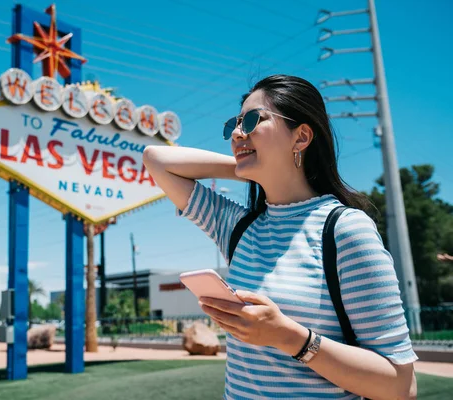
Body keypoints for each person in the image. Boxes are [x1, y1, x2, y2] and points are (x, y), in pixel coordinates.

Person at [143, 75, 417, 400]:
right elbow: (156, 159)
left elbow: (401, 385)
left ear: (301, 137)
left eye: (251, 120)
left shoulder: (345, 230)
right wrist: (248, 163)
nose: (235, 132)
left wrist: (289, 337)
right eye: (234, 123)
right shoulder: (238, 227)